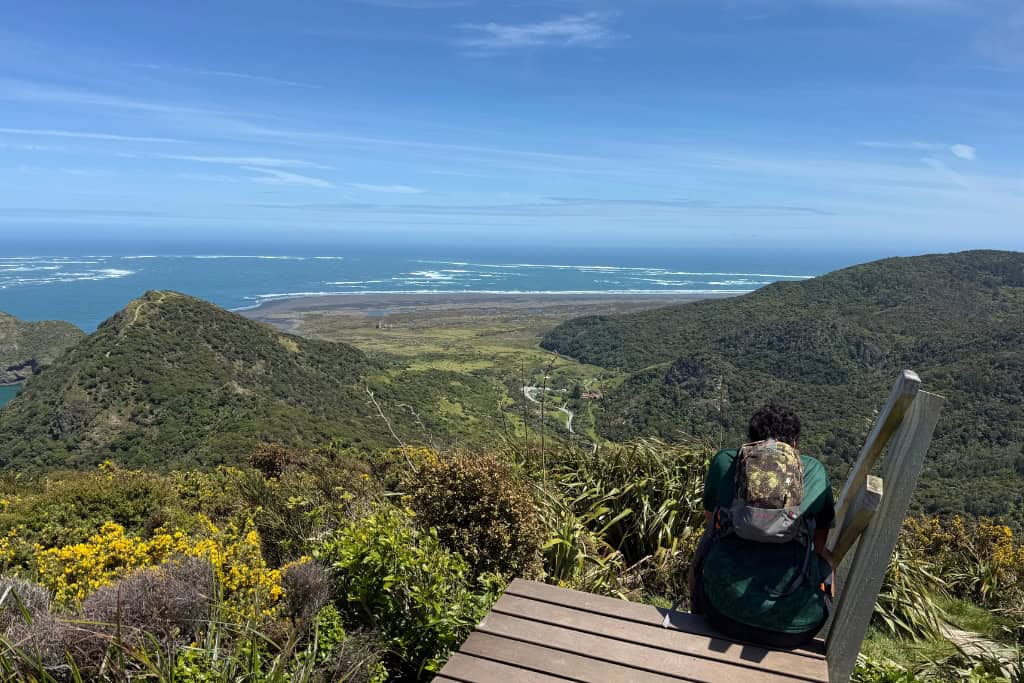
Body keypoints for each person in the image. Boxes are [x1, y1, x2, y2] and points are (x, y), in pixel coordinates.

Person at [690, 404, 835, 648]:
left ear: (751, 444)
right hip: (795, 628)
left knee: (705, 545)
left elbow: (710, 521)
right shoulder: (814, 470)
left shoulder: (726, 462)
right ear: (795, 444)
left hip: (720, 613)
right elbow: (820, 544)